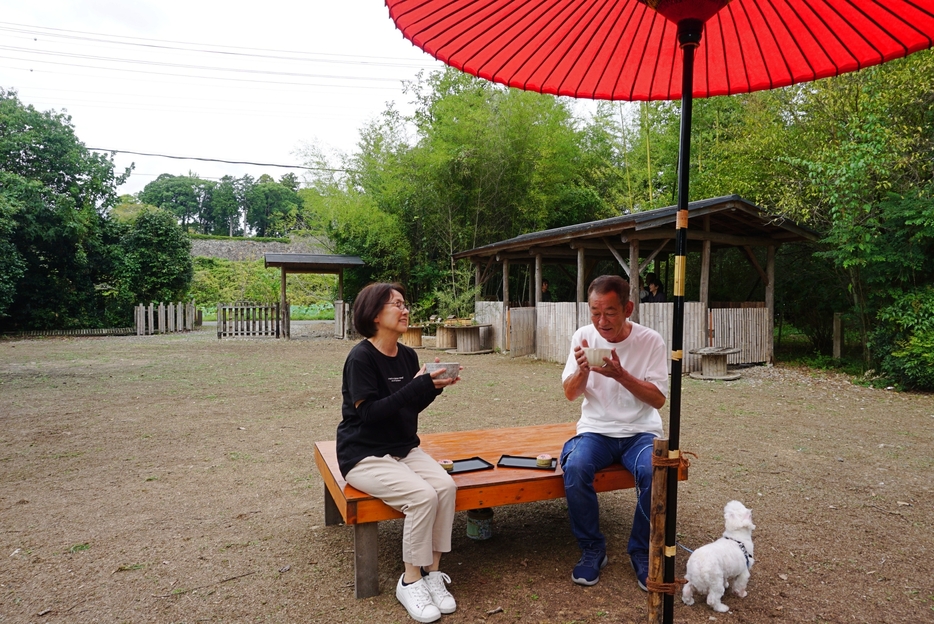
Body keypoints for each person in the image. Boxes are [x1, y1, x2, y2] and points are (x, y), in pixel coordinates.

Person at [337, 282, 461, 623]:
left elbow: (409, 404)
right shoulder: (360, 358)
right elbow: (370, 414)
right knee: (422, 496)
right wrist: (417, 385)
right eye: (397, 305)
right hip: (364, 454)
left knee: (446, 488)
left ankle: (433, 574)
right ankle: (410, 580)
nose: (405, 310)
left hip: (402, 448)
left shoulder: (407, 356)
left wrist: (433, 388)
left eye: (405, 304)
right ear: (375, 315)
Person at [560, 275, 669, 590]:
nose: (601, 321)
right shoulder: (583, 336)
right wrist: (582, 370)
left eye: (609, 312)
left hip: (641, 431)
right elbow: (570, 393)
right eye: (595, 312)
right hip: (596, 430)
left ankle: (641, 552)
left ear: (628, 309)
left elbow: (658, 399)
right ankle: (592, 548)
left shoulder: (651, 341)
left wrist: (621, 374)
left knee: (654, 470)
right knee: (576, 466)